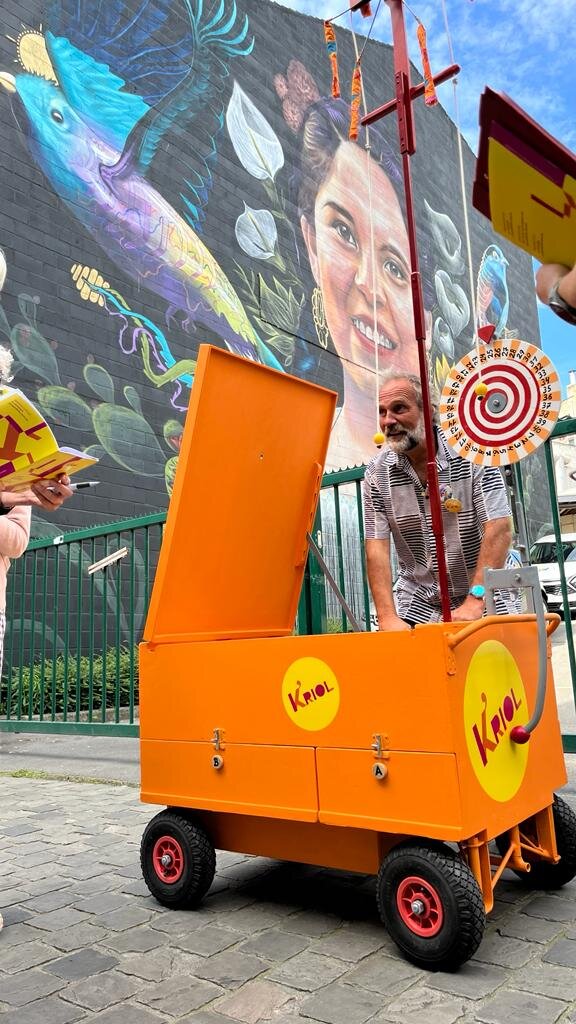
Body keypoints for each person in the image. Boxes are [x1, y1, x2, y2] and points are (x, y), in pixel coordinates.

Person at [296, 97, 434, 469]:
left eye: (395, 267)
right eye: (344, 232)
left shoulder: (461, 464)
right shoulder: (303, 458)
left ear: (426, 322)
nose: (368, 284)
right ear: (311, 244)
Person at [362, 369, 512, 629]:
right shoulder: (376, 473)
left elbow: (499, 527)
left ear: (428, 412)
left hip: (484, 588)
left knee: (494, 652)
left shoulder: (472, 452)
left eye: (399, 408)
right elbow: (376, 547)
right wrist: (387, 617)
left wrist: (476, 599)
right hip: (418, 598)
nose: (388, 421)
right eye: (382, 412)